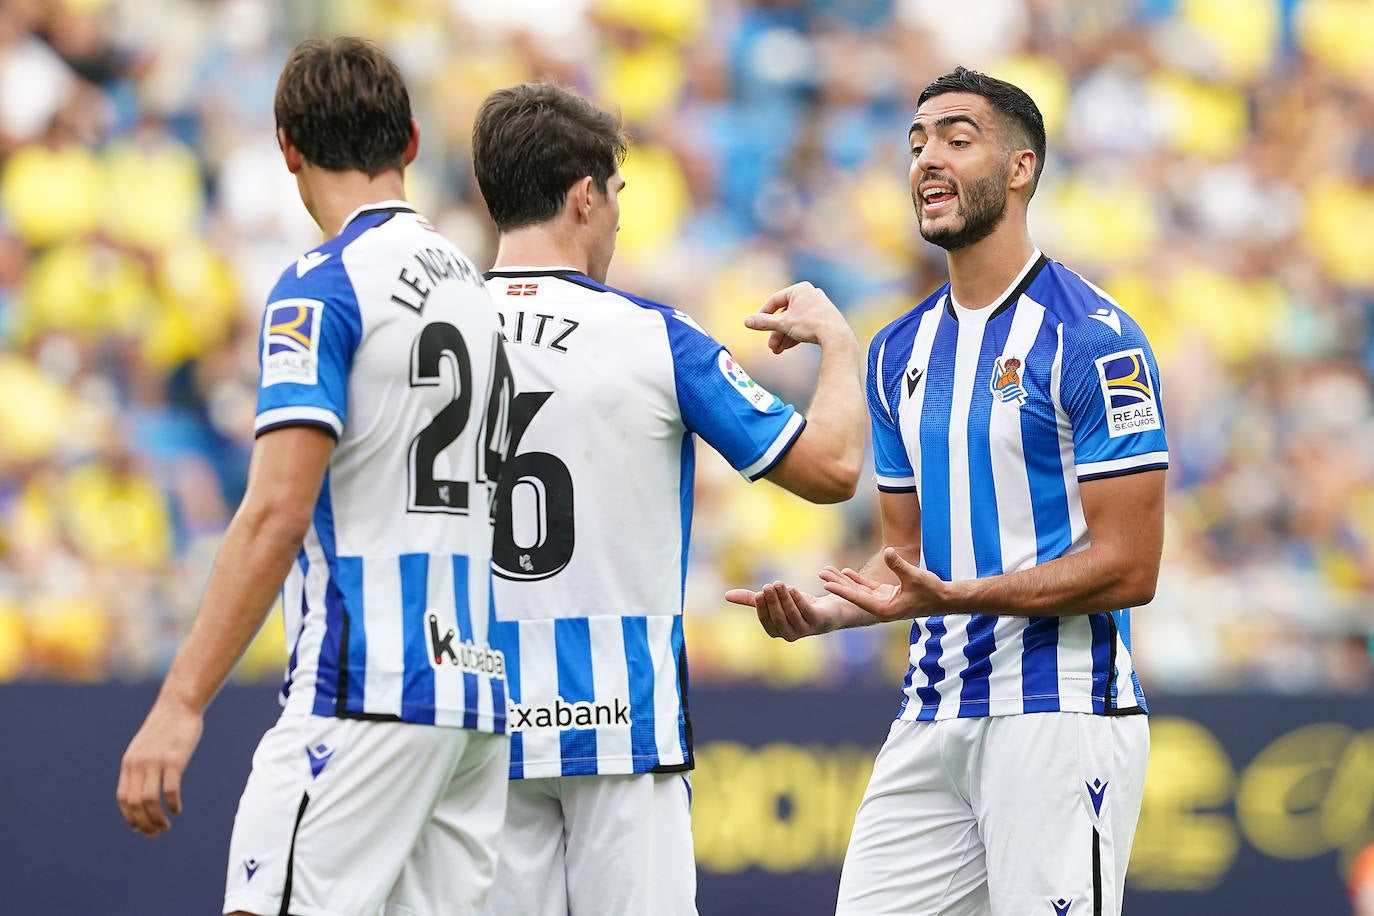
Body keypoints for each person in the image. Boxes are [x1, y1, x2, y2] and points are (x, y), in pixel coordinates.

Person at [727, 66, 1169, 916]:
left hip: (1058, 715)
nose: (927, 158)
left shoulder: (1095, 340)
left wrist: (971, 596)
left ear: (1020, 168)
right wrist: (837, 611)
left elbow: (1130, 567)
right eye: (918, 142)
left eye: (957, 139)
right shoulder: (897, 350)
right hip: (931, 713)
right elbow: (914, 567)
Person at [116, 37, 514, 916]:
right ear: (411, 140)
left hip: (362, 687)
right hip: (476, 692)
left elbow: (275, 513)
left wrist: (181, 702)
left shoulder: (320, 287)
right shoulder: (476, 293)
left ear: (287, 147)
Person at [469, 81, 867, 916]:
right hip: (619, 724)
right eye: (616, 197)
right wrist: (839, 343)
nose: (617, 219)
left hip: (475, 723)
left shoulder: (429, 337)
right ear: (584, 198)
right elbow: (830, 470)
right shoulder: (653, 337)